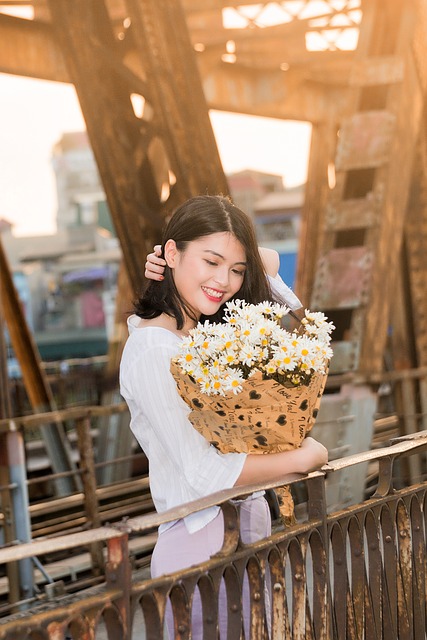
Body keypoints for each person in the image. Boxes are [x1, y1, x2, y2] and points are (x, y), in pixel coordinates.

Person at [119, 195, 328, 638]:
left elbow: (265, 261)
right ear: (173, 253)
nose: (224, 281)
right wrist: (301, 459)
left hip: (241, 534)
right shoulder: (152, 348)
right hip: (199, 546)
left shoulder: (203, 335)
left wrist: (184, 258)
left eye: (235, 270)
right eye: (210, 262)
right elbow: (202, 472)